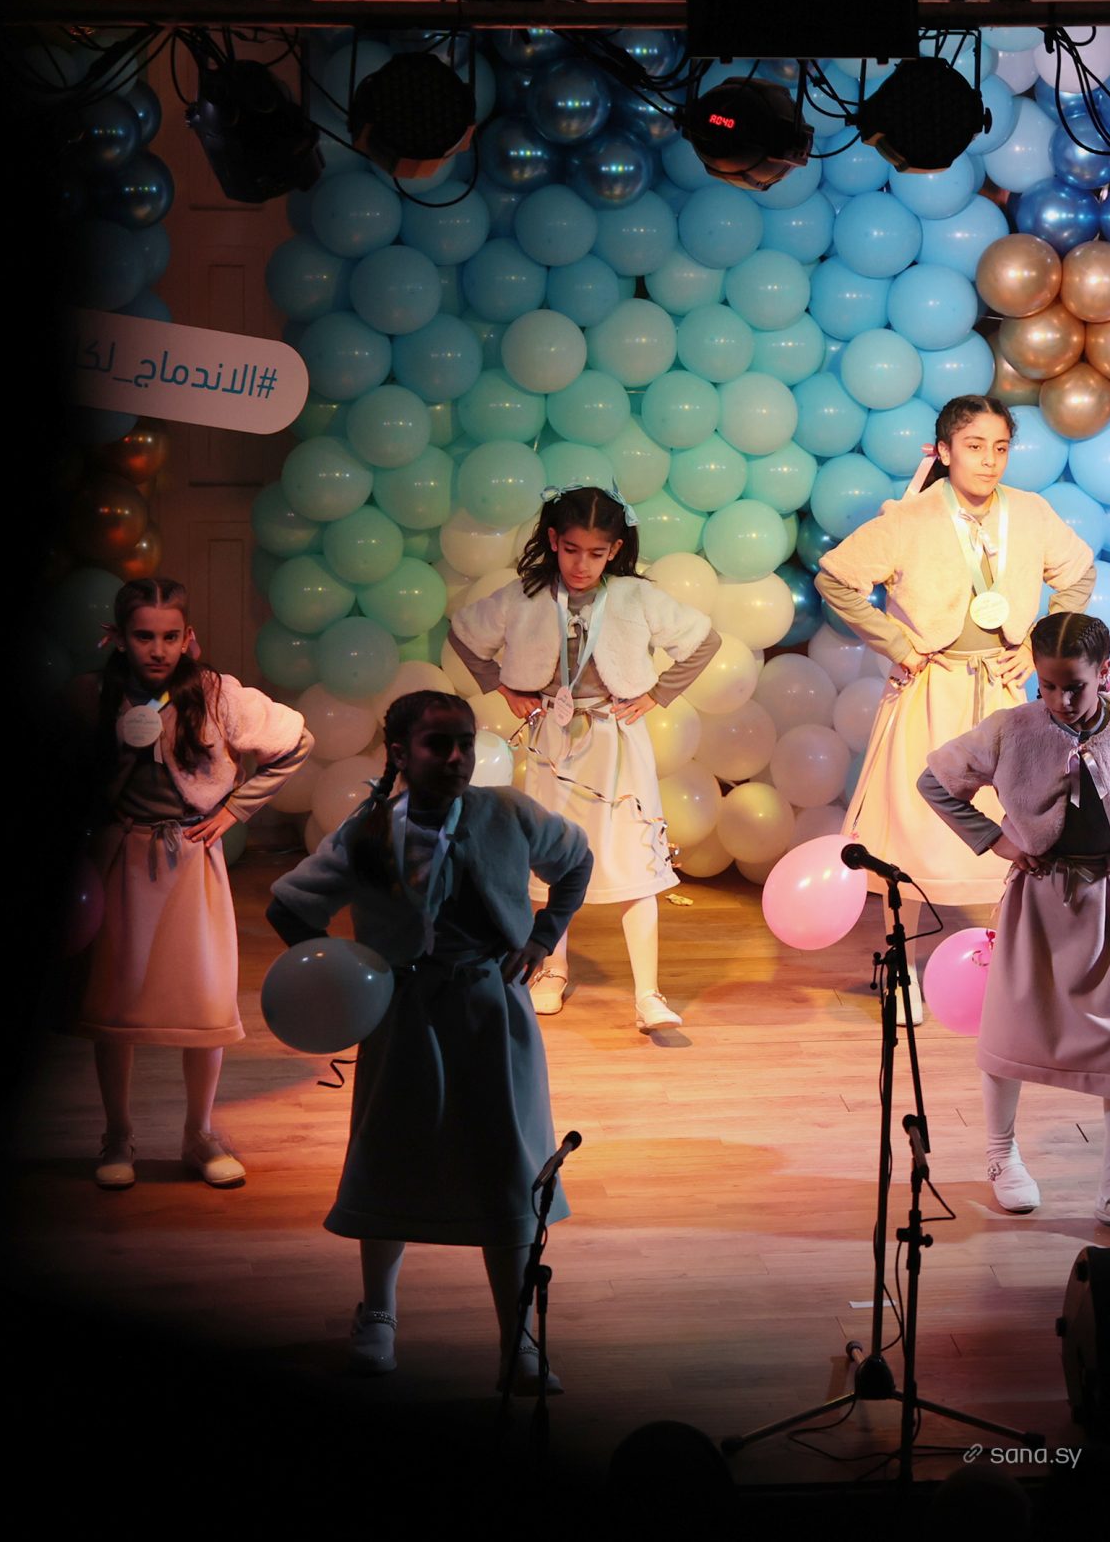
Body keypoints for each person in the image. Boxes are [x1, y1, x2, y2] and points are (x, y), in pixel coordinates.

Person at [266, 690, 593, 1394]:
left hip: (493, 1014)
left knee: (506, 1160)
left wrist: (543, 936)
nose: (455, 758)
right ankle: (378, 1312)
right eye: (437, 744)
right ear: (399, 753)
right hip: (405, 1017)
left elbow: (576, 859)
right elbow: (289, 903)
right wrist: (342, 982)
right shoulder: (368, 832)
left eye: (464, 743)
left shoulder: (508, 812)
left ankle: (517, 1335)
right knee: (391, 1150)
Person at [918, 612, 1110, 1237]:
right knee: (1011, 1027)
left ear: (1106, 673)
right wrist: (994, 838)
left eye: (1074, 686)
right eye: (1047, 685)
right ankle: (1001, 1155)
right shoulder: (1012, 728)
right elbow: (935, 780)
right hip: (1039, 898)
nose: (1059, 699)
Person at [814, 400, 1100, 992]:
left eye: (1000, 447)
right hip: (931, 688)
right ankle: (903, 967)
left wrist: (1039, 646)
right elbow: (835, 577)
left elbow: (1078, 572)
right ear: (944, 452)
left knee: (1016, 819)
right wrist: (897, 643)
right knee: (915, 824)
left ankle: (1003, 964)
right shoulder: (912, 518)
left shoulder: (1029, 511)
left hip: (1003, 693)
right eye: (974, 446)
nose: (989, 460)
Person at [447, 485, 720, 1029]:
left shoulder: (636, 597)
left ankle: (648, 993)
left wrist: (658, 693)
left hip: (616, 741)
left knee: (635, 857)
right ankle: (552, 969)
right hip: (554, 741)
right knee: (551, 854)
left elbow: (703, 641)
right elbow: (464, 633)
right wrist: (503, 687)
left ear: (615, 550)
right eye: (572, 550)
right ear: (553, 540)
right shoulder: (526, 596)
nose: (582, 564)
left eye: (596, 553)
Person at [71, 577, 310, 1189]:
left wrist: (236, 810)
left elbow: (296, 740)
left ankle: (199, 1133)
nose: (157, 649)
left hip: (189, 858)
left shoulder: (215, 694)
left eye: (170, 636)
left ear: (188, 637)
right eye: (143, 636)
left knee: (205, 997)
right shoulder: (95, 695)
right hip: (121, 857)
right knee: (116, 997)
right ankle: (117, 1134)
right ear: (119, 638)